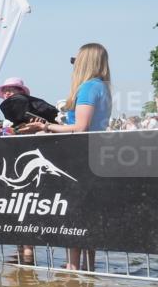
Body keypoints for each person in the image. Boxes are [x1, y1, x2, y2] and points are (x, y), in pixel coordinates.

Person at [22, 43, 112, 270]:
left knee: (73, 213)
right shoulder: (102, 87)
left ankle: (72, 268)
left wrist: (46, 127)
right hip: (94, 155)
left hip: (79, 156)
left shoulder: (88, 87)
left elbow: (81, 126)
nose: (73, 65)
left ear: (86, 62)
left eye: (76, 60)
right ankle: (87, 268)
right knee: (87, 213)